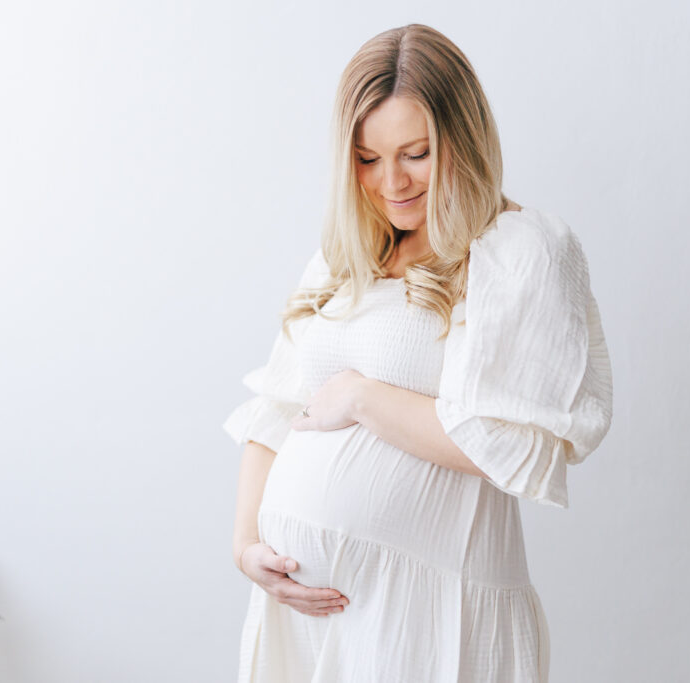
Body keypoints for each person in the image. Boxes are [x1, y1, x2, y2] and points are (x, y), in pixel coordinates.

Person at [222, 23, 613, 683]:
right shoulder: (345, 251)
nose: (391, 181)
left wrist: (362, 396)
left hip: (426, 616)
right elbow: (278, 407)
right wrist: (244, 545)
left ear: (464, 137)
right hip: (301, 615)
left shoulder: (520, 250)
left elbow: (506, 443)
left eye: (416, 152)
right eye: (368, 158)